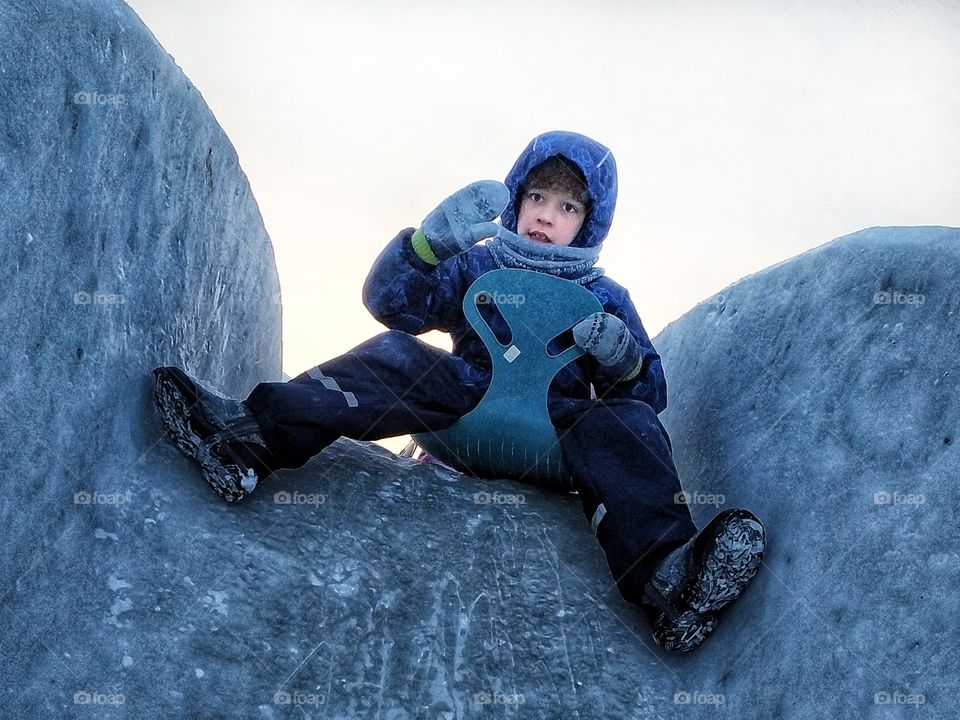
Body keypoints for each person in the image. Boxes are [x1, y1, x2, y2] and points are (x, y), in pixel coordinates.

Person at [153, 130, 765, 653]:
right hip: (467, 408)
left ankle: (668, 581)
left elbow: (648, 395)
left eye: (567, 206)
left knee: (625, 421)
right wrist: (427, 248)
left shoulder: (606, 297)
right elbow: (392, 303)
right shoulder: (478, 264)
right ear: (516, 199)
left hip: (554, 434)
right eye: (536, 197)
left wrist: (622, 358)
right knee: (398, 354)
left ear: (590, 221)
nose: (545, 215)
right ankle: (247, 441)